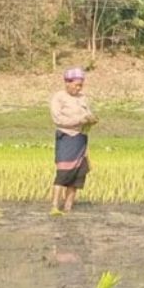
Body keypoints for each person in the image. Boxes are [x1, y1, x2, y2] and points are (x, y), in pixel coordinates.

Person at [49, 67, 98, 215]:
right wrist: (79, 120)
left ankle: (68, 207)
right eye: (76, 85)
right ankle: (55, 206)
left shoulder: (82, 98)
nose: (78, 88)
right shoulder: (59, 97)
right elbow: (57, 119)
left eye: (81, 85)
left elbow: (87, 113)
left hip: (80, 139)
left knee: (78, 174)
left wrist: (91, 119)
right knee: (63, 173)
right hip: (66, 137)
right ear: (67, 83)